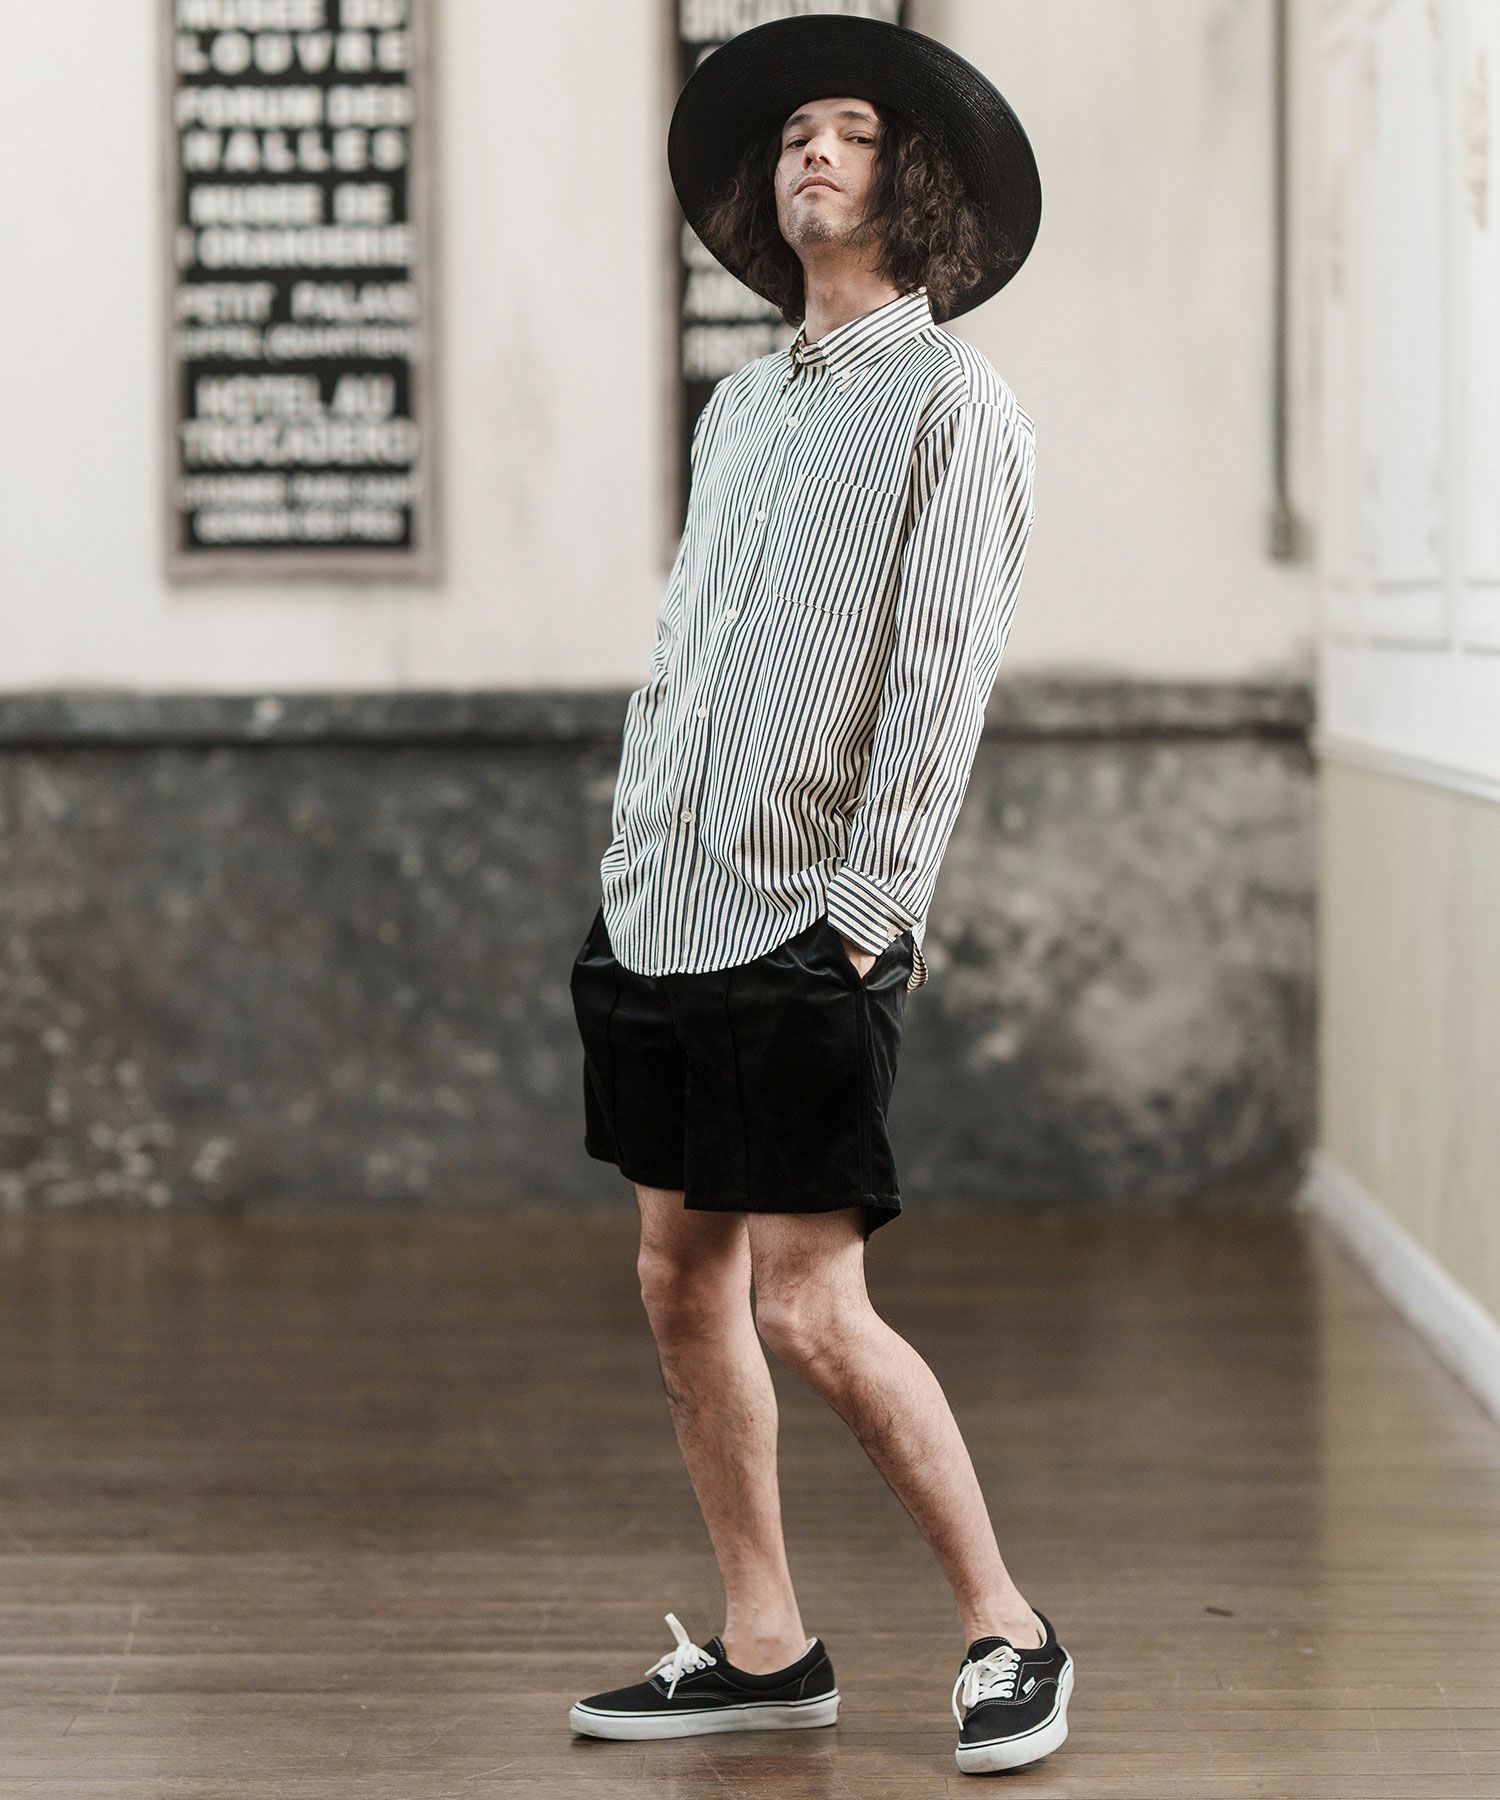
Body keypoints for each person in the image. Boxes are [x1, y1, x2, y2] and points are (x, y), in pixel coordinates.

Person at [566, 14, 1069, 1778]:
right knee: (678, 1280)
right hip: (660, 902)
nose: (814, 153)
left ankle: (1010, 1628)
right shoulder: (740, 409)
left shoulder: (955, 405)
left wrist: (869, 910)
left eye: (853, 130)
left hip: (807, 919)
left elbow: (943, 673)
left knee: (809, 1308)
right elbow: (687, 647)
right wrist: (633, 842)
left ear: (910, 177)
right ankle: (766, 1646)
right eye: (794, 134)